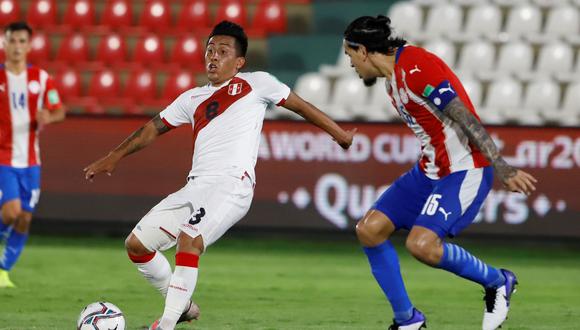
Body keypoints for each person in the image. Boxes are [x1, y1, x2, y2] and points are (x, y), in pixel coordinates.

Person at [84, 21, 356, 330]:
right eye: (210, 50)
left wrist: (340, 134)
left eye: (223, 52)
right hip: (195, 187)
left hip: (232, 185)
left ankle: (167, 324)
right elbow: (152, 128)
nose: (213, 57)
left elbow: (301, 106)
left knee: (190, 239)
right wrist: (114, 156)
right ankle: (182, 305)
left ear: (239, 62)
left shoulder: (257, 83)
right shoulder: (193, 99)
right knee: (137, 244)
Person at [342, 16, 537, 330]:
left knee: (421, 246)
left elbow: (464, 117)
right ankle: (407, 320)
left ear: (362, 50)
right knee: (369, 230)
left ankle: (498, 281)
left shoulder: (417, 68)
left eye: (350, 56)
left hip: (464, 170)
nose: (351, 64)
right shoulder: (392, 78)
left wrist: (502, 166)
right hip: (430, 170)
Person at [0, 22, 65, 288]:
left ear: (29, 45)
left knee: (25, 218)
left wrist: (48, 115)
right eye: (12, 41)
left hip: (31, 161)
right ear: (5, 44)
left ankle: (3, 271)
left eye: (21, 41)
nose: (16, 46)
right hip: (3, 157)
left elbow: (59, 110)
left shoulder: (41, 78)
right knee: (13, 212)